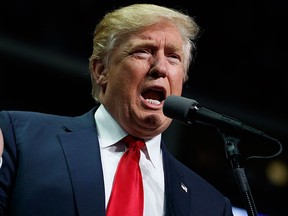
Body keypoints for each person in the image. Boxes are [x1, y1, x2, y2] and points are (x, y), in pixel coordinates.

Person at [0, 3, 234, 216]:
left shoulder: (211, 206)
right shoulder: (19, 137)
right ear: (101, 71)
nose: (161, 67)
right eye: (143, 51)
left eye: (174, 57)